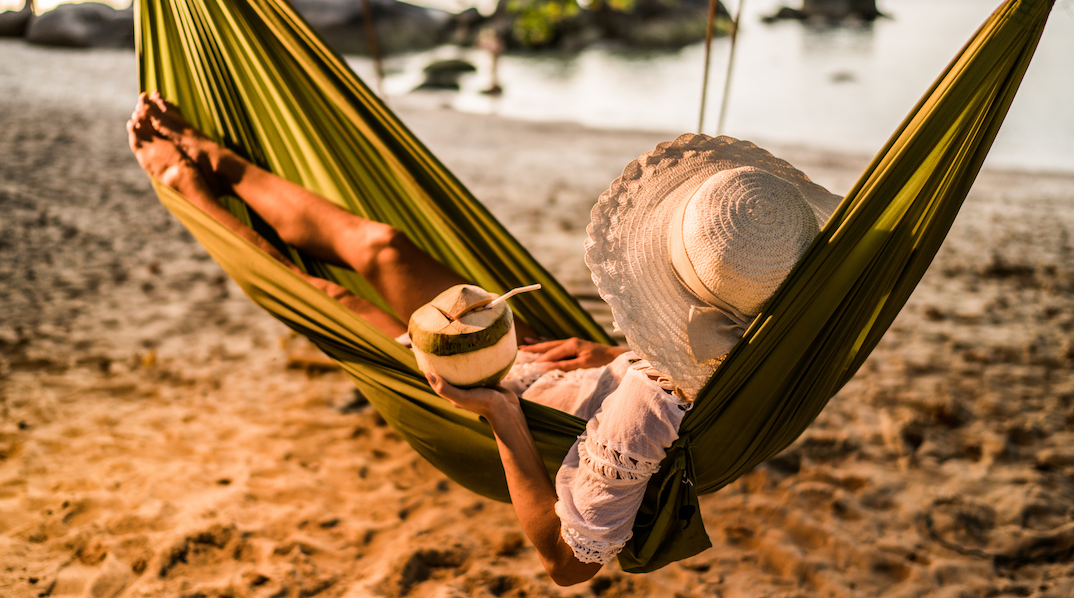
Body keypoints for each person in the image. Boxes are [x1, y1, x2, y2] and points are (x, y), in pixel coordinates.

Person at [128, 91, 841, 585]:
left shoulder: (642, 418)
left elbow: (567, 566)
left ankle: (184, 185)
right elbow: (691, 374)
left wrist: (499, 412)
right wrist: (618, 356)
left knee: (333, 297)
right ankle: (214, 158)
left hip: (506, 396)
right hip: (557, 365)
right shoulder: (778, 322)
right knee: (382, 246)